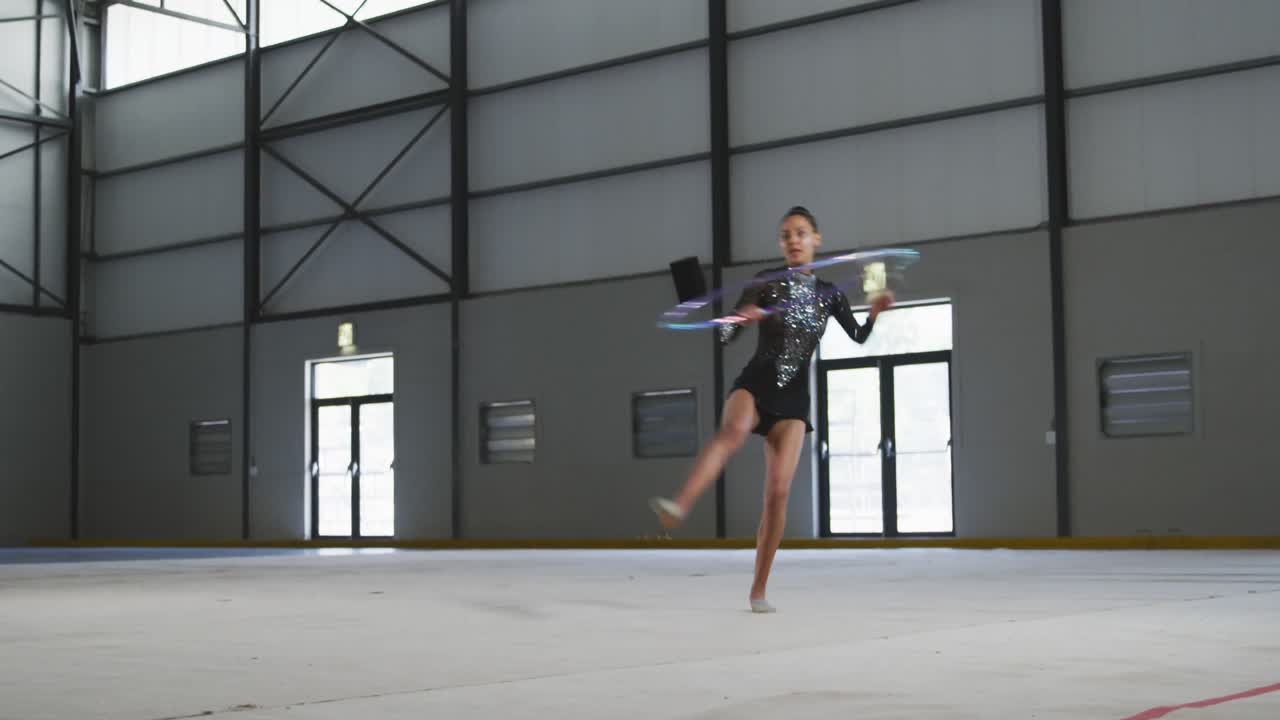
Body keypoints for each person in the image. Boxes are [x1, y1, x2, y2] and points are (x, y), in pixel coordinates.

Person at [649, 206, 892, 613]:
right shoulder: (766, 281)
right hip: (756, 382)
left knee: (778, 494)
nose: (792, 240)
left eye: (800, 233)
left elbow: (858, 337)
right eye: (785, 235)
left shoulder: (829, 293)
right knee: (733, 432)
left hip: (794, 400)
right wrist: (740, 318)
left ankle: (758, 589)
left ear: (817, 239)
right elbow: (724, 334)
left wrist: (874, 313)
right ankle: (681, 504)